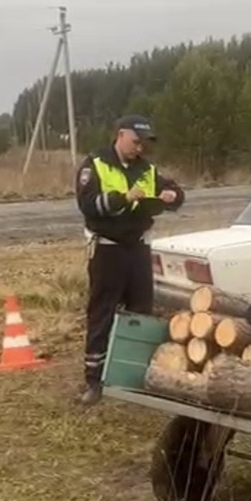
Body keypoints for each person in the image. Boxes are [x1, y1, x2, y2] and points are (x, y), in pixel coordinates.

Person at [75, 115, 185, 405]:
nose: (140, 148)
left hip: (137, 249)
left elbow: (174, 193)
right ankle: (94, 380)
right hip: (108, 249)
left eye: (145, 144)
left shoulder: (146, 169)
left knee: (141, 312)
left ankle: (133, 374)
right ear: (120, 135)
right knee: (102, 314)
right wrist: (124, 198)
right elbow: (88, 205)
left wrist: (172, 196)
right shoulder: (95, 164)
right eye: (136, 142)